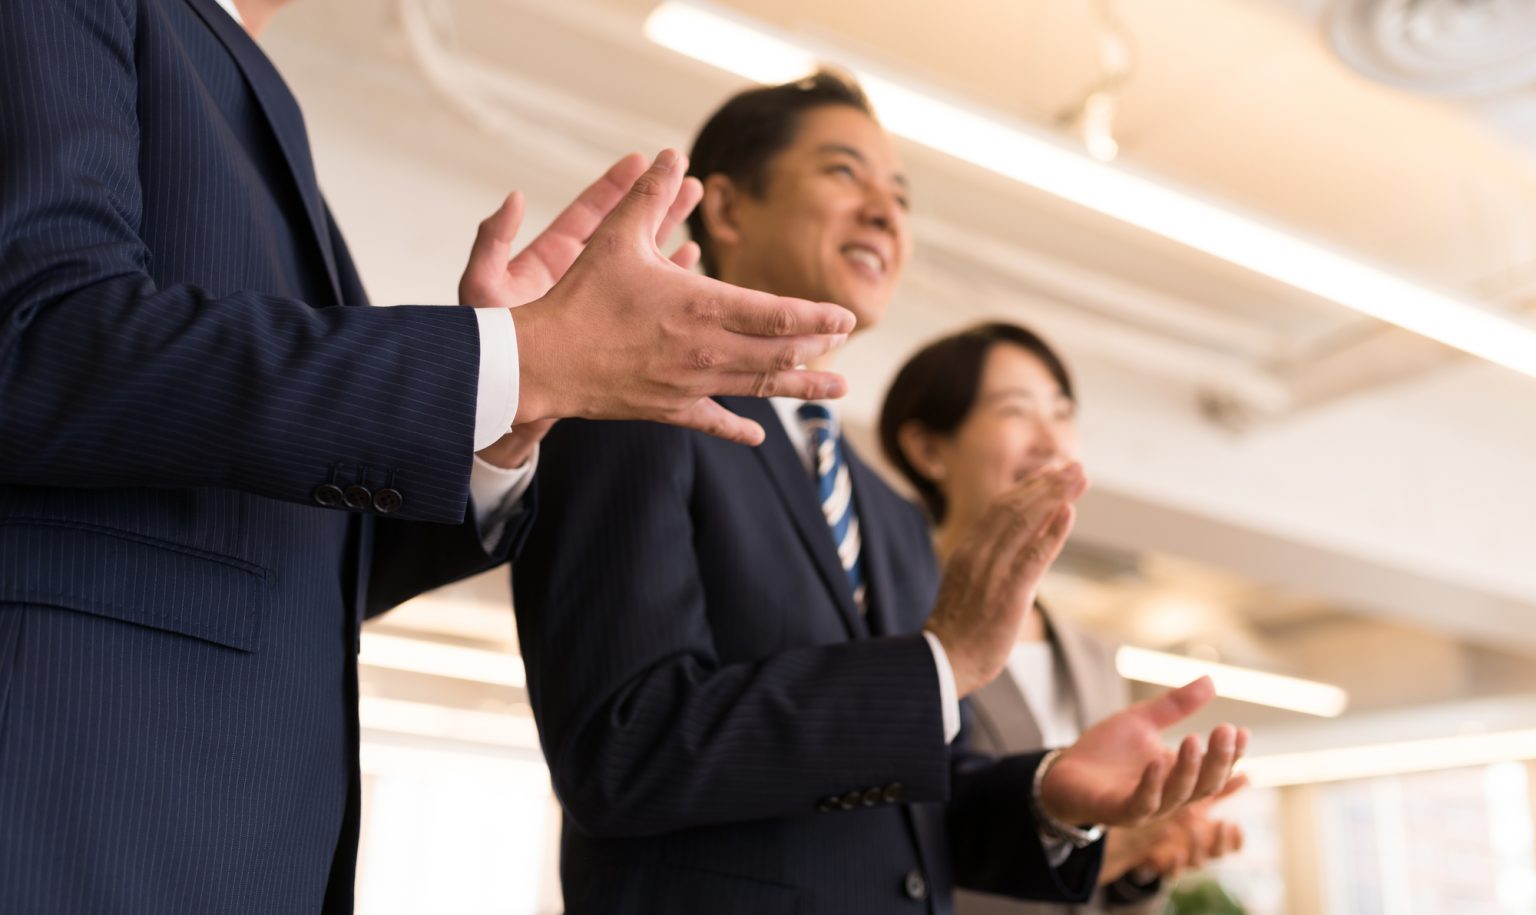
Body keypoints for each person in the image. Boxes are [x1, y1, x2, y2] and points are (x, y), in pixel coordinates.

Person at [0, 0, 858, 911]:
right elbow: (33, 334)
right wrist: (509, 362)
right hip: (68, 794)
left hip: (224, 832)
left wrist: (499, 424)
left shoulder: (254, 91)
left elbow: (310, 559)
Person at [512, 71, 1249, 913]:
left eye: (899, 194)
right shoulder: (632, 412)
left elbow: (921, 809)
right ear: (727, 210)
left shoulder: (892, 515)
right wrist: (938, 664)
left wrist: (1050, 794)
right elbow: (623, 750)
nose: (885, 211)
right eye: (842, 173)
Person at [880, 322, 1248, 915]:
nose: (1052, 440)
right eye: (1016, 411)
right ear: (928, 449)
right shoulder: (886, 623)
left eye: (1063, 412)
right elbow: (888, 847)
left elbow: (1085, 873)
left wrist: (1139, 861)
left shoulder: (1093, 652)